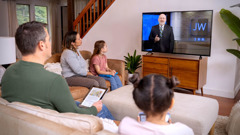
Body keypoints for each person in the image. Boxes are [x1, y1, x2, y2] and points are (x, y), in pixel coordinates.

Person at [1, 21, 113, 119]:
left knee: (78, 103)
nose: (50, 43)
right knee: (103, 108)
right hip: (57, 124)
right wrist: (94, 109)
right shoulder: (55, 80)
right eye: (48, 40)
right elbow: (74, 114)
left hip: (30, 123)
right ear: (42, 45)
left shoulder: (8, 73)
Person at [118, 74, 194, 135]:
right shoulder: (184, 131)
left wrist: (139, 124)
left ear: (137, 102)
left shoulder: (125, 125)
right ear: (171, 103)